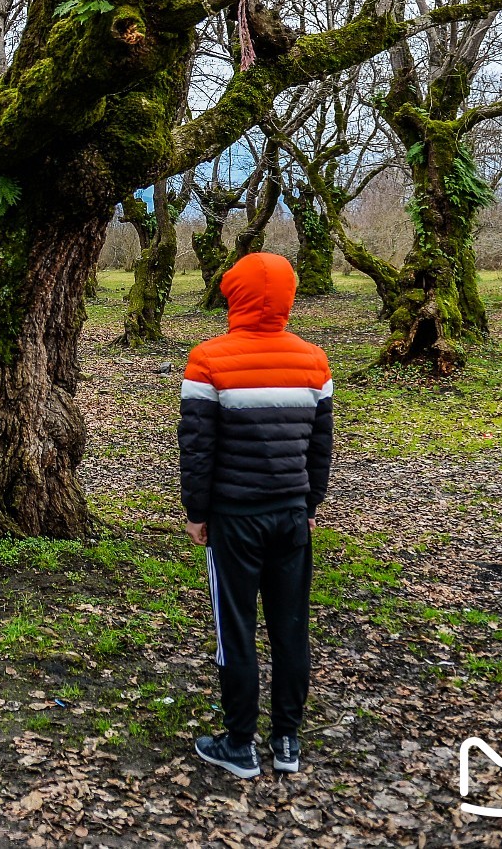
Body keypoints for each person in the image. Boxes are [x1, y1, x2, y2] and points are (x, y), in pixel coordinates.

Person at [177, 251, 333, 779]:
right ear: (288, 297)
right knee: (292, 628)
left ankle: (239, 743)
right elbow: (320, 447)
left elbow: (197, 448)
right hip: (292, 517)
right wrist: (309, 505)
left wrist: (197, 512)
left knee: (236, 629)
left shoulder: (207, 361)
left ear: (233, 294)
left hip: (234, 520)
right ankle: (287, 742)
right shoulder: (314, 361)